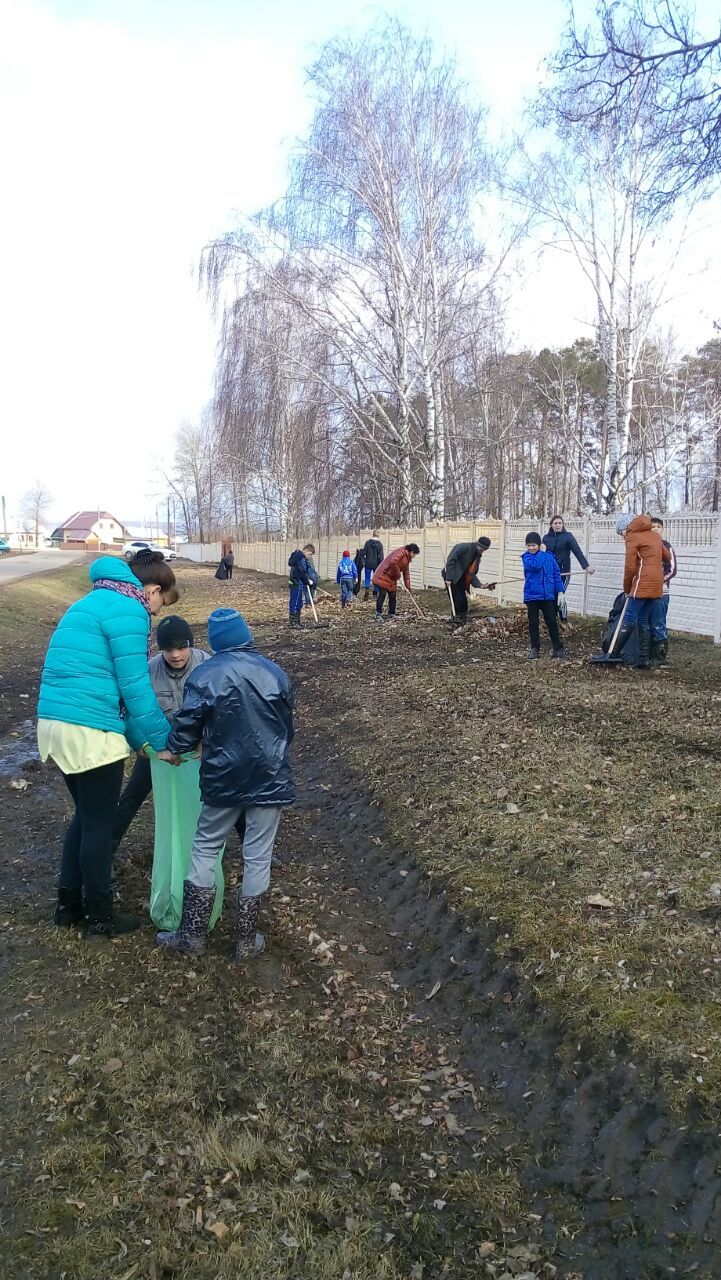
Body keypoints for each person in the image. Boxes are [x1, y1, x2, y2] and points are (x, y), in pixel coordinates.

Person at [37, 551, 179, 938]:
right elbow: (135, 689)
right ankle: (100, 919)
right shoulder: (129, 610)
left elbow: (113, 689)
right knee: (98, 824)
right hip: (89, 731)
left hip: (55, 724)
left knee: (85, 816)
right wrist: (166, 742)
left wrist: (140, 743)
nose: (155, 612)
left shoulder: (91, 601)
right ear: (151, 590)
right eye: (160, 604)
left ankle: (68, 906)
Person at [156, 608, 294, 960]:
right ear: (246, 635)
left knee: (204, 848)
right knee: (258, 856)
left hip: (223, 778)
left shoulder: (205, 674)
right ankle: (246, 940)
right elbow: (286, 729)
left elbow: (188, 722)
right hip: (269, 778)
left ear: (215, 643)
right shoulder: (275, 673)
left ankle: (192, 936)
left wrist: (174, 749)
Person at [111, 615, 246, 854]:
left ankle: (251, 849)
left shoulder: (209, 666)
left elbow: (225, 710)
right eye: (168, 649)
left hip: (202, 746)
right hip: (161, 745)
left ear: (190, 644)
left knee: (228, 792)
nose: (175, 655)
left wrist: (208, 740)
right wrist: (141, 743)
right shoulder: (148, 672)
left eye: (182, 647)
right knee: (132, 797)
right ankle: (105, 853)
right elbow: (129, 710)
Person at [615, 513, 666, 668]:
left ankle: (613, 653)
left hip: (642, 582)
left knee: (630, 617)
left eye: (620, 533)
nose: (622, 537)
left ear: (626, 527)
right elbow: (667, 555)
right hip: (657, 582)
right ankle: (644, 660)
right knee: (643, 619)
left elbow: (629, 566)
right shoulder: (654, 535)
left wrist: (627, 588)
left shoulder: (632, 536)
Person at [522, 532, 567, 659]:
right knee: (533, 623)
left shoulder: (549, 557)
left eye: (534, 545)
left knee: (552, 622)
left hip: (548, 596)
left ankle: (557, 648)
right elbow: (536, 566)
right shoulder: (526, 558)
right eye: (529, 545)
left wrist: (560, 591)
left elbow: (556, 575)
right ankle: (534, 648)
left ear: (539, 544)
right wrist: (541, 552)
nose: (531, 548)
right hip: (532, 596)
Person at [542, 515, 595, 615]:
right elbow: (541, 555)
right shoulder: (546, 538)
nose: (558, 525)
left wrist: (586, 567)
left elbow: (577, 552)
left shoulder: (568, 536)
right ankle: (557, 618)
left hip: (563, 572)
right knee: (550, 596)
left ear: (563, 524)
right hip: (549, 573)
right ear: (551, 525)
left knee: (559, 594)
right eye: (555, 523)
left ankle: (559, 618)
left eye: (560, 523)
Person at [442, 537, 493, 626]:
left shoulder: (477, 557)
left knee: (463, 604)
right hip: (452, 577)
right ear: (477, 545)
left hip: (461, 579)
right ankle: (455, 622)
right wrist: (448, 578)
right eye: (481, 549)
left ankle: (461, 622)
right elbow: (451, 560)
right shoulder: (463, 547)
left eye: (484, 550)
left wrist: (481, 585)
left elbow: (472, 574)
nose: (482, 552)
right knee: (457, 602)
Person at [372, 543, 420, 622]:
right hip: (383, 574)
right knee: (382, 594)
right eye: (415, 555)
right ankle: (378, 614)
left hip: (392, 578)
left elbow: (406, 574)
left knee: (393, 596)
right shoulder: (401, 552)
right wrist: (398, 574)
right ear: (411, 552)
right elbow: (393, 562)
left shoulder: (407, 560)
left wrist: (408, 588)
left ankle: (392, 613)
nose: (414, 557)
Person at [650, 517, 677, 642]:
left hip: (661, 592)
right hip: (645, 592)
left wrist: (658, 582)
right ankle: (646, 655)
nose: (655, 529)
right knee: (645, 623)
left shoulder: (666, 546)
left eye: (658, 527)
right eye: (653, 526)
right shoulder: (644, 547)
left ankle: (658, 657)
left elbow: (672, 569)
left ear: (662, 530)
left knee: (658, 624)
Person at [288, 543, 315, 628]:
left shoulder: (297, 557)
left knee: (296, 601)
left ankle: (296, 621)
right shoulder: (301, 558)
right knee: (296, 602)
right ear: (306, 551)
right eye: (310, 554)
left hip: (295, 582)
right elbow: (302, 572)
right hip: (297, 583)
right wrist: (307, 581)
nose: (310, 557)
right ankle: (294, 622)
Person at [362, 531, 384, 601]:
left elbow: (363, 553)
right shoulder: (380, 544)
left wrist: (364, 560)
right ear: (378, 536)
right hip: (376, 564)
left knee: (367, 577)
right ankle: (375, 593)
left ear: (373, 535)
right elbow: (381, 557)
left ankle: (367, 589)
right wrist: (381, 565)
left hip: (368, 563)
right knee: (376, 579)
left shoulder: (367, 543)